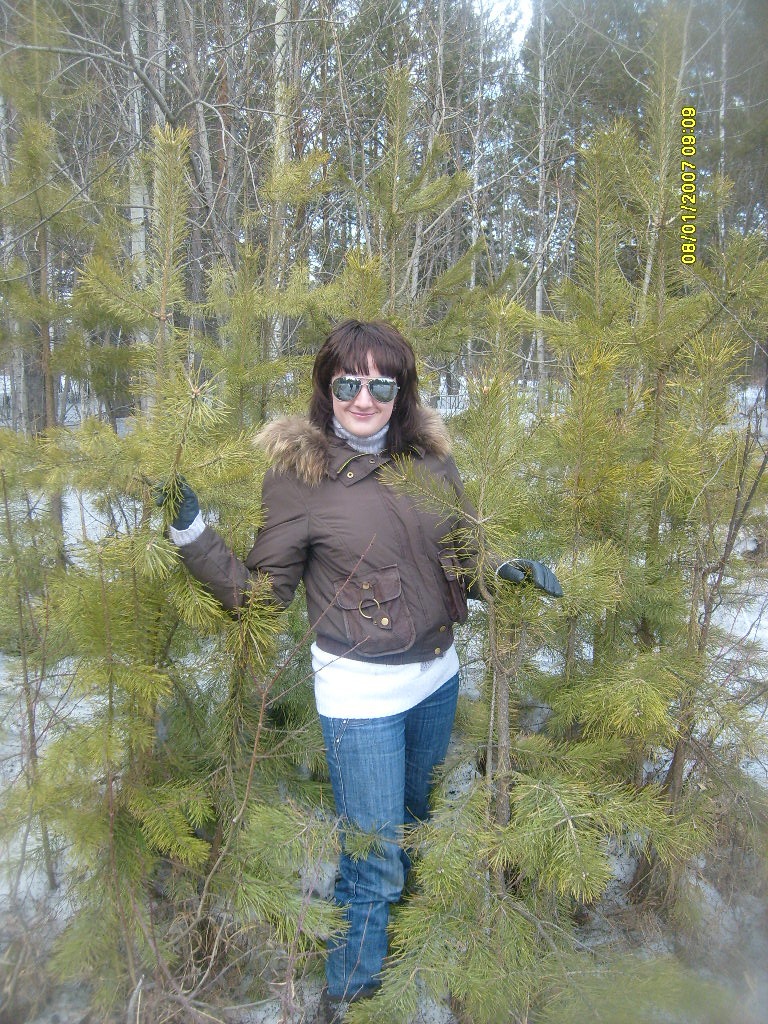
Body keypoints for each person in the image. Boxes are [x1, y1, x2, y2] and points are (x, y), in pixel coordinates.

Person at [163, 319, 561, 1022]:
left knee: (414, 826)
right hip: (360, 696)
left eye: (382, 384)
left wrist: (505, 572)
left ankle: (403, 962)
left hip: (436, 680)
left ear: (402, 392)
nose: (364, 399)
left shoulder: (432, 463)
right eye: (348, 383)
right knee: (372, 860)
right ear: (326, 389)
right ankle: (350, 994)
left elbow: (464, 558)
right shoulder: (300, 479)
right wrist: (193, 536)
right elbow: (262, 596)